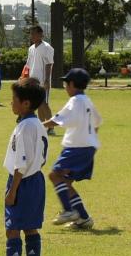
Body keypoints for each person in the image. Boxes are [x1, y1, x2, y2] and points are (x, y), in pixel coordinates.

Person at [0, 78, 48, 256]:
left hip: (22, 181)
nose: (11, 103)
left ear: (26, 103)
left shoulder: (25, 127)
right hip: (37, 180)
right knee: (31, 227)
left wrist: (12, 191)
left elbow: (21, 162)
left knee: (12, 230)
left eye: (14, 100)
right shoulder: (37, 123)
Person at [43, 69, 101, 230]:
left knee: (54, 175)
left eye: (66, 83)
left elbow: (58, 119)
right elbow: (97, 121)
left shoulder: (75, 101)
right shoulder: (87, 100)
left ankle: (68, 210)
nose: (65, 86)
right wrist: (91, 138)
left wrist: (39, 127)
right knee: (66, 182)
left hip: (77, 147)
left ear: (72, 85)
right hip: (88, 147)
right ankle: (83, 218)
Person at [25, 25, 55, 133]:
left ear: (40, 34)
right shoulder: (31, 48)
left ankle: (51, 127)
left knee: (44, 104)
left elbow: (49, 64)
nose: (31, 36)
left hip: (43, 81)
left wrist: (47, 80)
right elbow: (28, 65)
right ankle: (42, 126)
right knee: (38, 104)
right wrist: (25, 78)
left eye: (33, 33)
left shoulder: (47, 47)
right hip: (33, 81)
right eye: (30, 33)